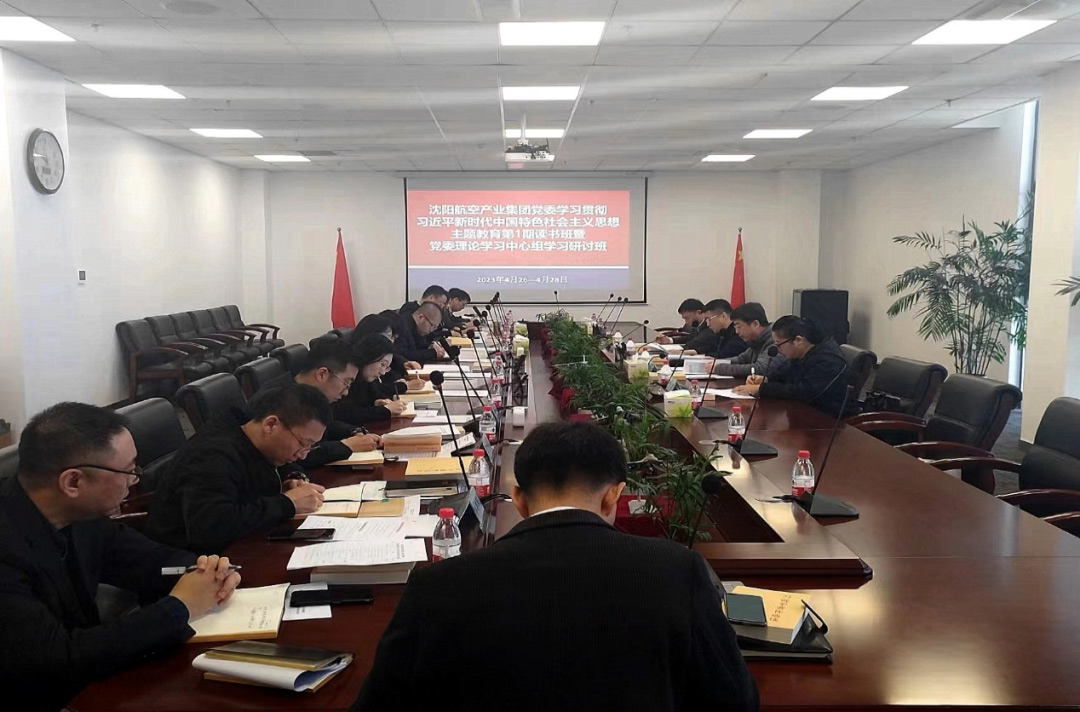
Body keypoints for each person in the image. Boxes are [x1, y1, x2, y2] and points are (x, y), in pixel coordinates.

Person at [352, 421, 758, 712]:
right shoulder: (678, 570)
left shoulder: (436, 584)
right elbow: (735, 699)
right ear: (613, 496)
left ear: (518, 499)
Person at [0, 402, 241, 712]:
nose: (135, 480)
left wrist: (206, 570)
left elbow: (147, 560)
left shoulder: (80, 514)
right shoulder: (7, 547)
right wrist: (179, 607)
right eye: (128, 470)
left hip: (86, 679)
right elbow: (57, 659)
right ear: (73, 482)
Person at [144, 385, 330, 552]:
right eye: (303, 443)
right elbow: (210, 528)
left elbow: (277, 465)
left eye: (311, 446)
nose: (303, 455)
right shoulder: (211, 455)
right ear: (271, 424)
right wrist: (287, 504)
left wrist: (293, 477)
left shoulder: (250, 432)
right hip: (187, 563)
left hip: (238, 549)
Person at [255, 337, 381, 467]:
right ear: (322, 374)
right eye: (346, 382)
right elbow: (293, 454)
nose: (346, 392)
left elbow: (324, 426)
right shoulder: (280, 399)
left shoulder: (308, 394)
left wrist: (353, 431)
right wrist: (346, 445)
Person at [735, 315, 856, 417]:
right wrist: (766, 379)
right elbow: (785, 374)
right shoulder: (802, 353)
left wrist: (760, 389)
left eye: (778, 344)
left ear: (798, 340)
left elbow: (802, 392)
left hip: (828, 420)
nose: (778, 349)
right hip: (805, 413)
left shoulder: (828, 360)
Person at [334, 335, 409, 423]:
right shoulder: (346, 377)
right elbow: (344, 414)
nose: (383, 372)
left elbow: (374, 396)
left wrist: (377, 402)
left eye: (387, 367)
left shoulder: (366, 379)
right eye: (382, 364)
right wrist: (385, 410)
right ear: (369, 356)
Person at [712, 302, 782, 377]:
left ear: (755, 324)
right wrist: (716, 362)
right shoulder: (756, 341)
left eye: (739, 327)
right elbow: (741, 359)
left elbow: (760, 369)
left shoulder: (775, 339)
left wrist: (718, 368)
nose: (737, 332)